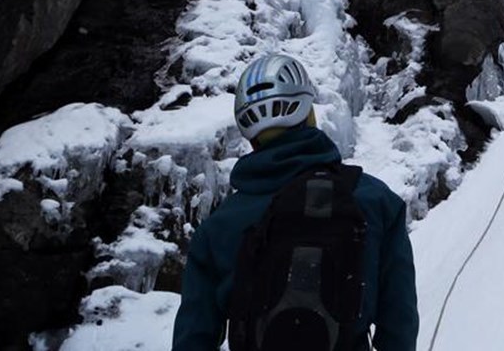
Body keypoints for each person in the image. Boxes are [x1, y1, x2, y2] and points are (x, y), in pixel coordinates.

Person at [172, 53, 419, 351]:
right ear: (309, 114)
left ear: (251, 134)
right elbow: (399, 324)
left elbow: (192, 340)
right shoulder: (375, 201)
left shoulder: (218, 228)